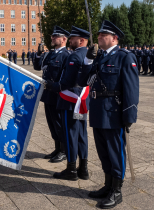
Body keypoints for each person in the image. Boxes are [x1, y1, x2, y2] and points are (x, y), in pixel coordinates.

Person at [87, 20, 139, 209]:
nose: (99, 37)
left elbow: (131, 89)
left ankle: (117, 191)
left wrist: (129, 116)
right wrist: (88, 60)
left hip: (114, 113)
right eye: (99, 34)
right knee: (103, 152)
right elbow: (84, 80)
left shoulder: (125, 56)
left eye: (103, 35)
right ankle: (108, 185)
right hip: (98, 111)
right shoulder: (98, 57)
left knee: (115, 152)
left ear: (114, 38)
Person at [47, 26, 93, 181]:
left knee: (70, 135)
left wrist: (51, 86)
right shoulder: (87, 55)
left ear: (81, 40)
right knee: (82, 135)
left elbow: (67, 82)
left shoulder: (74, 56)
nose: (70, 40)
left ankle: (71, 169)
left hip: (70, 102)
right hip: (82, 102)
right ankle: (84, 168)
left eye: (73, 38)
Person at [33, 26, 71, 163]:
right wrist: (38, 53)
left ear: (64, 39)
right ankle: (57, 148)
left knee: (59, 124)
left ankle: (63, 151)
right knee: (52, 123)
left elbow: (66, 78)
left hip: (58, 95)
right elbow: (38, 67)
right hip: (47, 94)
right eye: (52, 36)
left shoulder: (66, 56)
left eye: (56, 37)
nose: (53, 38)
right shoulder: (50, 54)